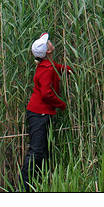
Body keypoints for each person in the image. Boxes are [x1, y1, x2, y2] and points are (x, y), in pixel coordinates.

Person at [20, 32, 72, 191]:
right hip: (39, 114)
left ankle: (35, 184)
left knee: (42, 150)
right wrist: (62, 104)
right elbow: (46, 93)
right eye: (48, 42)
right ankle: (23, 188)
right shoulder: (47, 70)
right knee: (36, 151)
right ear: (48, 51)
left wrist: (71, 70)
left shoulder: (48, 65)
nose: (50, 42)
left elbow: (59, 68)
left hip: (40, 113)